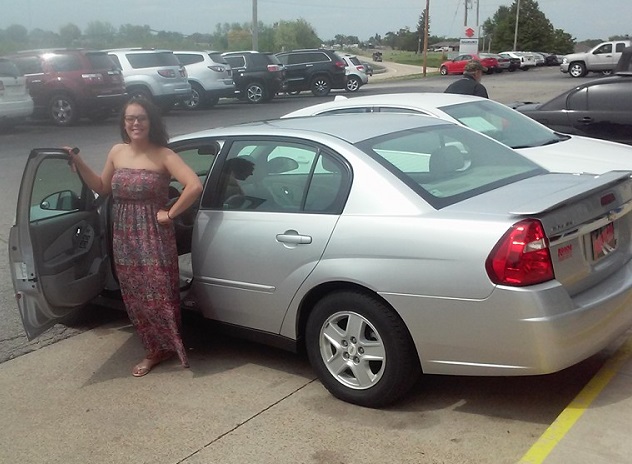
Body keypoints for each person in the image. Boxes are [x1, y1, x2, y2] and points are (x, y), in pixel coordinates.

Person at [66, 97, 203, 377]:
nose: (135, 123)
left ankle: (169, 346)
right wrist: (78, 162)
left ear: (151, 121)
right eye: (130, 118)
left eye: (141, 118)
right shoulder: (117, 151)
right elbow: (103, 187)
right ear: (124, 123)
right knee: (136, 296)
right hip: (124, 234)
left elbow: (194, 185)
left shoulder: (164, 155)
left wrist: (171, 213)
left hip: (154, 235)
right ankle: (153, 349)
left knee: (158, 292)